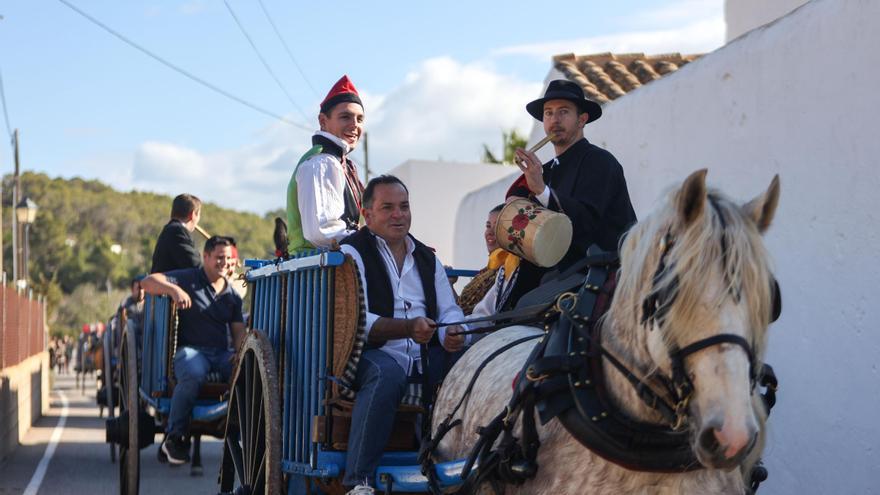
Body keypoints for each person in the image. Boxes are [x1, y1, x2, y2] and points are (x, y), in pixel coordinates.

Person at [338, 175, 467, 491]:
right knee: (388, 375)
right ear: (367, 214)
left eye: (404, 207)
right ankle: (359, 481)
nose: (399, 215)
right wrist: (407, 328)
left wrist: (452, 332)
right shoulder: (351, 253)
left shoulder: (426, 257)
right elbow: (355, 321)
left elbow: (448, 308)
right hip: (363, 355)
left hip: (422, 356)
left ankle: (460, 463)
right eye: (388, 208)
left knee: (470, 365)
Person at [504, 79, 637, 308]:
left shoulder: (600, 162)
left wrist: (541, 190)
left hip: (603, 273)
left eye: (563, 112)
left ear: (582, 119)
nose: (555, 120)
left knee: (528, 306)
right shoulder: (546, 170)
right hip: (559, 275)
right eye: (548, 113)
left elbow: (586, 223)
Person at [140, 235, 245, 465]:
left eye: (228, 258)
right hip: (192, 351)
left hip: (220, 354)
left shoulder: (233, 297)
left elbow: (238, 333)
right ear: (205, 256)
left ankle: (246, 430)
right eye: (219, 257)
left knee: (245, 373)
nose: (224, 263)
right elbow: (147, 282)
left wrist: (240, 356)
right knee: (193, 373)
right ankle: (174, 437)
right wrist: (173, 290)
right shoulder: (188, 278)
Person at [287, 75, 366, 254]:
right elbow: (323, 232)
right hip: (318, 275)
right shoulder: (322, 162)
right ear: (323, 121)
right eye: (346, 117)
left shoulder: (337, 161)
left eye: (360, 119)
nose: (355, 125)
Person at [457, 204, 512, 315]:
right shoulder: (487, 270)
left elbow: (479, 316)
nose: (490, 232)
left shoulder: (509, 270)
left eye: (497, 227)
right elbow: (461, 309)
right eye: (488, 226)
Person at [150, 193, 203, 273]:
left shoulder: (170, 229)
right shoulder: (177, 231)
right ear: (192, 215)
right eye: (198, 214)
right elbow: (194, 265)